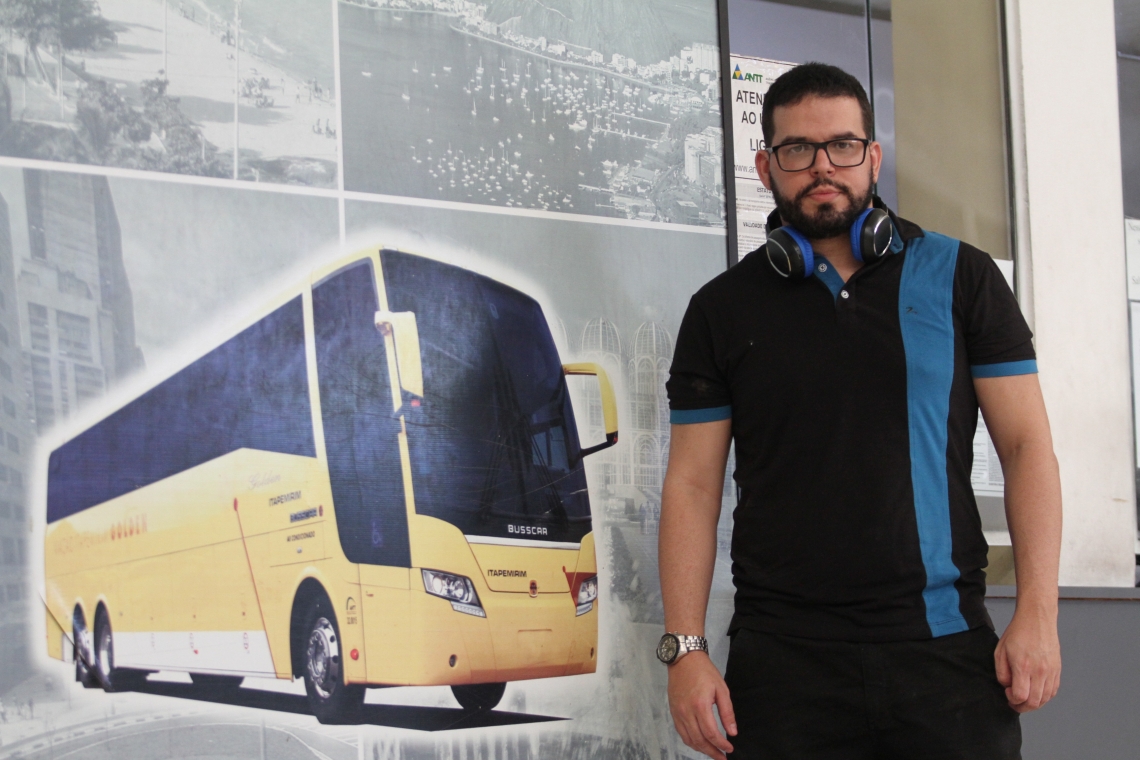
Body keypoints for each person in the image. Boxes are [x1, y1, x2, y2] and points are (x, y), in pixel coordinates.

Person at [658, 62, 1061, 760]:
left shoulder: (962, 277)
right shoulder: (721, 310)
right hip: (781, 666)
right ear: (766, 166)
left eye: (842, 146)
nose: (823, 166)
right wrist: (685, 649)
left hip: (945, 656)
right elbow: (692, 486)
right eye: (798, 149)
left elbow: (1027, 447)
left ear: (873, 157)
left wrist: (1039, 613)